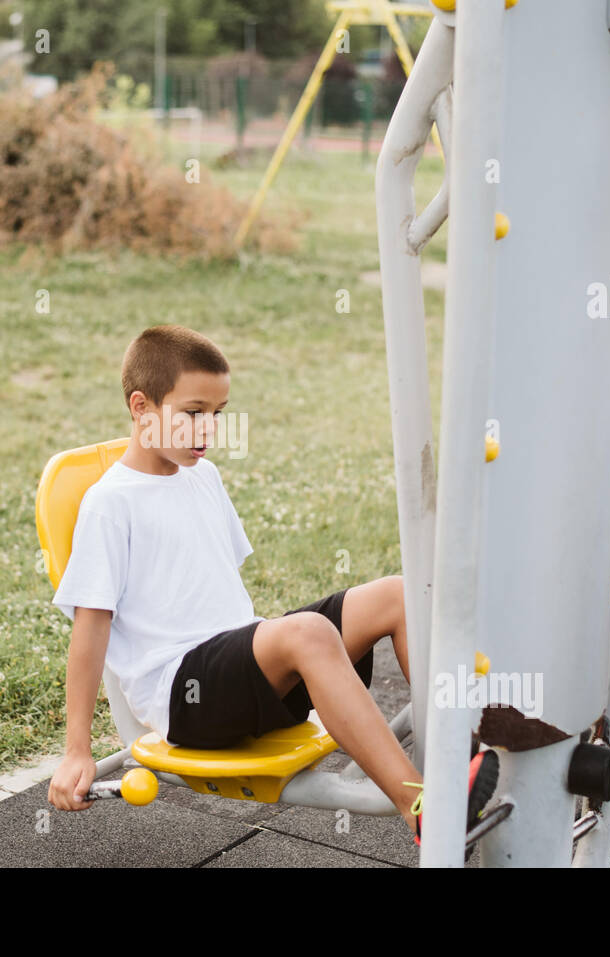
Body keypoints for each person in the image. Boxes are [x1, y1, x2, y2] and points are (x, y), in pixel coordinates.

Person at [46, 324, 497, 845]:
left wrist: (271, 648)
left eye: (217, 414)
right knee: (305, 632)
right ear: (141, 407)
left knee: (397, 594)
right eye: (193, 413)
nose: (207, 430)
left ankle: (457, 758)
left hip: (240, 678)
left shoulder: (203, 477)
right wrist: (76, 748)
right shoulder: (110, 504)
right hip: (185, 696)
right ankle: (422, 807)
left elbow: (217, 597)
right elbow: (90, 632)